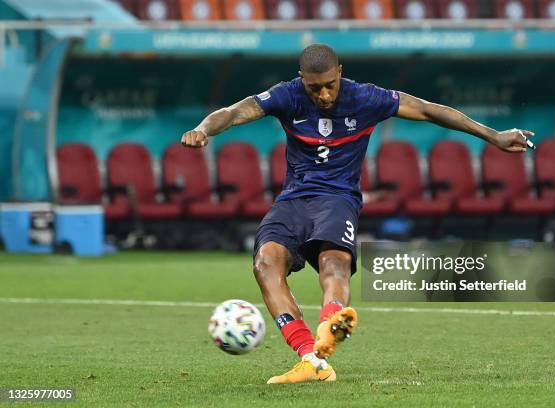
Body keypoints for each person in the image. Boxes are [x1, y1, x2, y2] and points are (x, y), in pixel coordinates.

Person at [181, 44, 534, 384]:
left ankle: (327, 330)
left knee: (334, 264)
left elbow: (428, 109)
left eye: (329, 85)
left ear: (340, 74)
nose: (322, 95)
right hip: (292, 200)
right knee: (264, 263)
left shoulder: (365, 97)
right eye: (314, 87)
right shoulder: (287, 96)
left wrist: (493, 136)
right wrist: (203, 129)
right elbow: (234, 111)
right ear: (301, 79)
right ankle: (309, 358)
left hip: (338, 198)